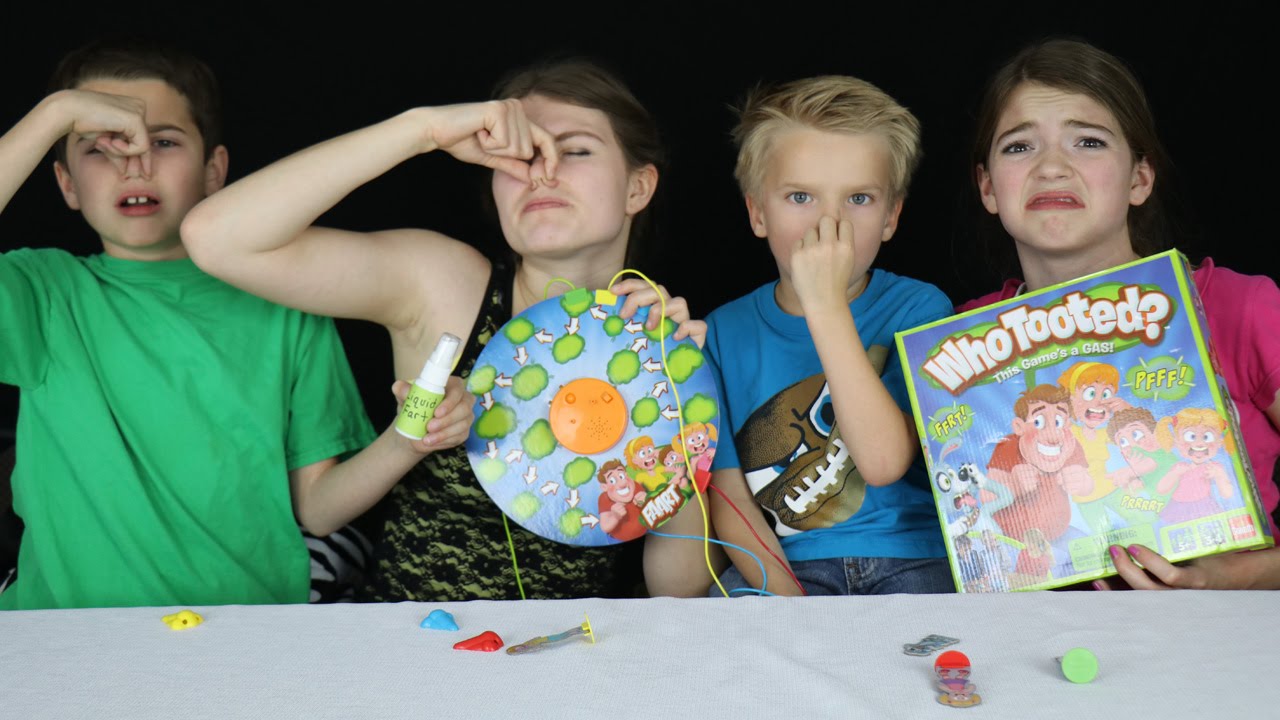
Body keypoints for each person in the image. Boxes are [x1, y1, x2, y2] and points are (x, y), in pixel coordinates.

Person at [182, 59, 713, 600]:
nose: (542, 171)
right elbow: (214, 238)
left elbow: (681, 592)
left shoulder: (657, 343)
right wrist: (424, 130)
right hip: (409, 638)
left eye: (575, 150)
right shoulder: (443, 285)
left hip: (573, 645)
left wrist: (684, 412)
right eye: (519, 155)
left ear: (637, 187)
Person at [0, 40, 469, 610]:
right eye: (98, 147)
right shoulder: (41, 292)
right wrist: (55, 113)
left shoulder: (285, 302)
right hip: (66, 637)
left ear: (214, 170)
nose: (134, 164)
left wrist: (405, 440)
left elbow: (319, 509)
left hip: (243, 634)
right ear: (66, 183)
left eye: (163, 142)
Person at [961, 38, 1280, 590]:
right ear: (988, 187)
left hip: (1229, 636)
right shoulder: (962, 342)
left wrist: (1244, 576)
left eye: (1088, 141)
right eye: (1019, 147)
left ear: (1139, 178)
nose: (1051, 167)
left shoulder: (1239, 308)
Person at [700, 75, 954, 596]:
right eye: (800, 196)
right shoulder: (721, 333)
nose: (828, 221)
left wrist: (825, 305)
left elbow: (883, 463)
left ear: (891, 217)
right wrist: (790, 605)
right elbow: (730, 498)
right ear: (757, 213)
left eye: (859, 198)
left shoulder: (920, 307)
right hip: (789, 568)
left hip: (913, 559)